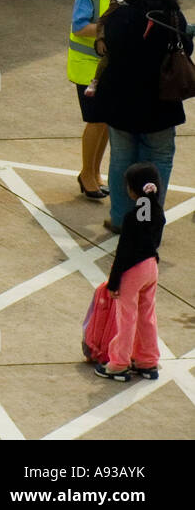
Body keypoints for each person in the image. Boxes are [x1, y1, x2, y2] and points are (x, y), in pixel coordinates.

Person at [96, 0, 190, 233]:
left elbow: (109, 47)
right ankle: (147, 223)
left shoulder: (121, 15)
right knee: (158, 163)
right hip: (161, 106)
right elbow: (186, 49)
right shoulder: (173, 19)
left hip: (121, 105)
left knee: (121, 161)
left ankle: (119, 219)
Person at [68, 0, 142, 199]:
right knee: (96, 120)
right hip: (88, 65)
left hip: (113, 65)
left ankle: (95, 172)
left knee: (107, 122)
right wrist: (109, 29)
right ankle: (86, 174)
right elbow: (79, 26)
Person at [95, 162, 165, 381]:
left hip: (133, 271)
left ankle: (119, 363)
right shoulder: (158, 213)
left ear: (132, 190)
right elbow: (153, 241)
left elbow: (124, 252)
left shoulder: (131, 218)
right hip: (151, 267)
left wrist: (114, 281)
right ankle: (147, 360)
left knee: (126, 318)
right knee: (147, 315)